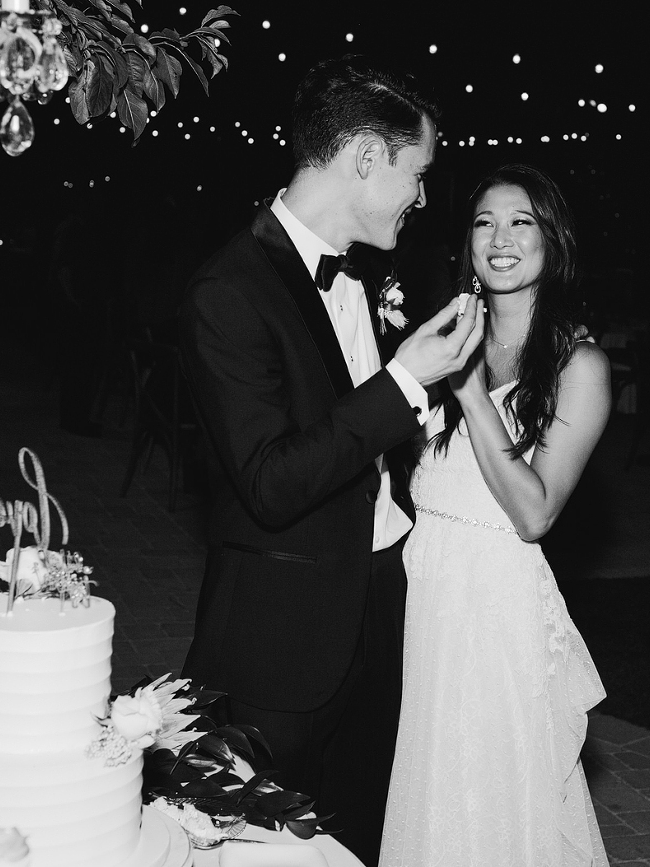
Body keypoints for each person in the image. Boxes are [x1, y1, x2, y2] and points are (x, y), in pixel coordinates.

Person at [177, 58, 483, 864]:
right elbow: (272, 482)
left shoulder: (369, 274)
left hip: (378, 604)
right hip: (284, 634)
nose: (422, 197)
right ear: (364, 158)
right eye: (416, 174)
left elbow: (361, 434)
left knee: (364, 835)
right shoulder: (228, 289)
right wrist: (405, 381)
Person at [379, 164, 611, 865]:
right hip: (425, 587)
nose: (500, 237)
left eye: (521, 222)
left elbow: (535, 513)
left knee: (494, 791)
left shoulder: (580, 365)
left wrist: (470, 391)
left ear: (553, 241)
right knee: (427, 783)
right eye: (484, 222)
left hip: (498, 606)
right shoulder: (440, 339)